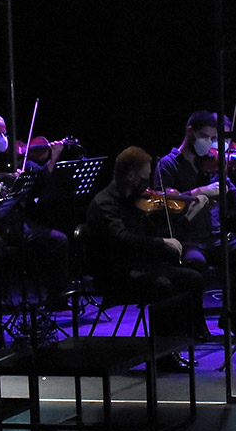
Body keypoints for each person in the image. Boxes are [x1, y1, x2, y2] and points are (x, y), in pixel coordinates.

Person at [82, 147, 202, 371]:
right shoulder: (104, 203)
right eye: (144, 179)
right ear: (130, 176)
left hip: (139, 267)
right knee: (163, 286)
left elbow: (151, 235)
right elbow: (121, 239)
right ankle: (162, 355)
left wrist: (181, 221)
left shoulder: (134, 201)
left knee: (191, 278)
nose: (147, 187)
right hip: (115, 274)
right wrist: (161, 244)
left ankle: (180, 340)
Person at [153, 111, 236, 309]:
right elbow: (162, 205)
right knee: (195, 264)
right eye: (207, 137)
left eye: (215, 139)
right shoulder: (167, 164)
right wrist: (200, 191)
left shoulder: (214, 163)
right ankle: (196, 322)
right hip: (188, 239)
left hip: (218, 239)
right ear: (190, 132)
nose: (212, 144)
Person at [0, 114, 71, 306]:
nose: (3, 138)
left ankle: (58, 297)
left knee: (58, 240)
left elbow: (41, 175)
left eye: (5, 133)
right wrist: (3, 174)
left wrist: (54, 156)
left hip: (15, 219)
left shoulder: (14, 155)